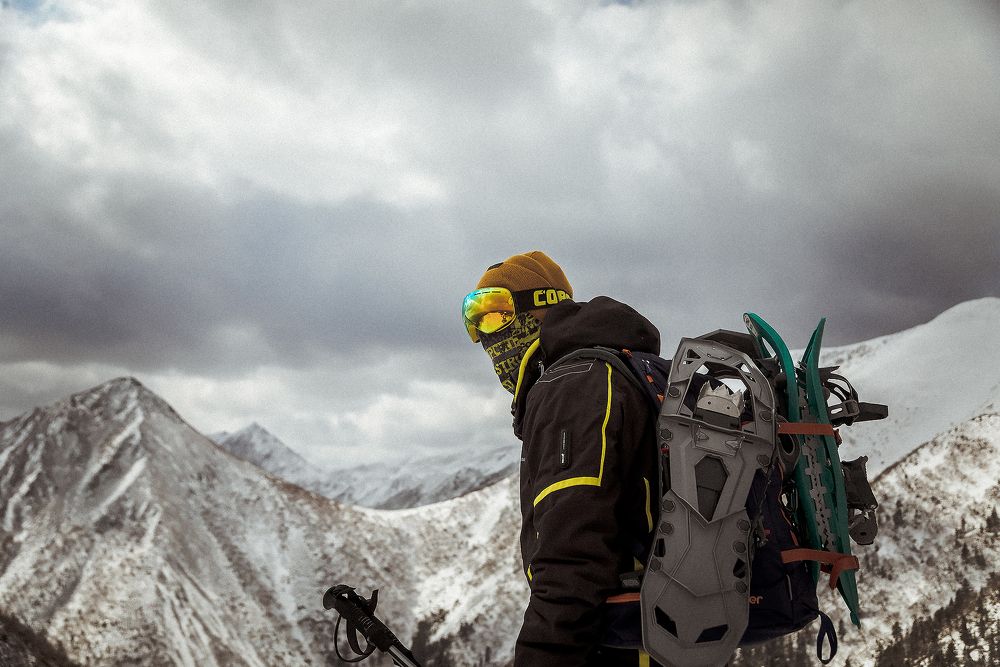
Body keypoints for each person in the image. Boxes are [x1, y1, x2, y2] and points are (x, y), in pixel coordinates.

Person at [463, 251, 664, 667]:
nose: (484, 334)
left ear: (541, 309)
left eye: (494, 311)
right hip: (652, 635)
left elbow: (573, 564)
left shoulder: (572, 387)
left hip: (621, 644)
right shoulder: (606, 374)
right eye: (473, 318)